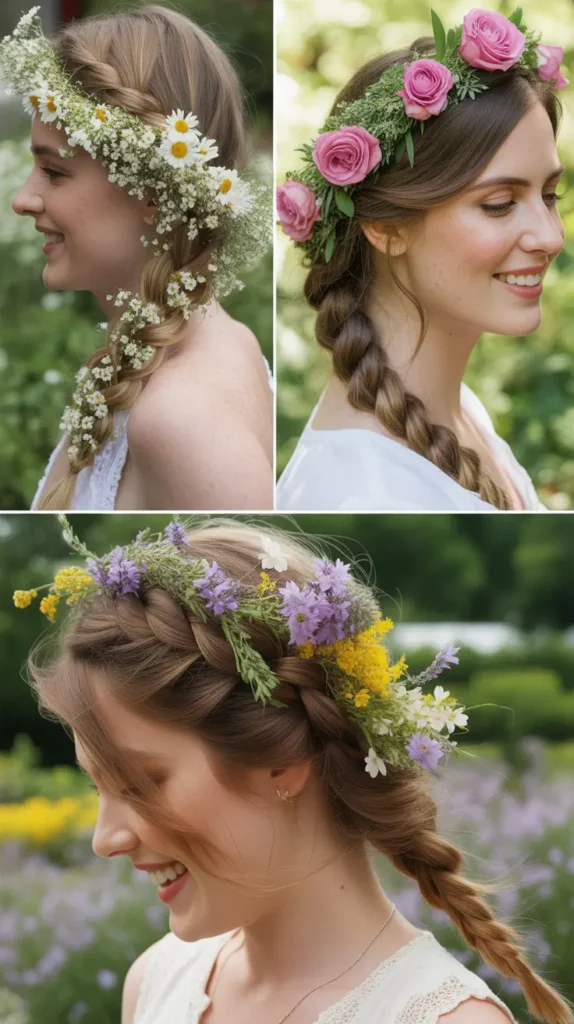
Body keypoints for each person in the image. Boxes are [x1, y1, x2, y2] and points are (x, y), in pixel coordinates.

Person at [15, 515, 572, 1024]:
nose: (104, 840)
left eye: (139, 783)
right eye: (99, 787)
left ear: (281, 759)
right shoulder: (157, 984)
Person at [276, 8, 568, 512]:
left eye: (549, 196)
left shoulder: (458, 414)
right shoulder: (364, 495)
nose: (550, 238)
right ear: (387, 227)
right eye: (498, 204)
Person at [2, 5, 273, 511]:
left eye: (55, 173)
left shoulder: (182, 418)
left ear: (154, 189)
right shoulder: (216, 337)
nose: (22, 198)